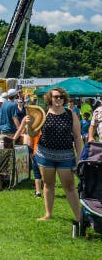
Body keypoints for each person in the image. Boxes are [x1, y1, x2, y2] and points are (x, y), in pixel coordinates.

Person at [35, 87, 83, 223]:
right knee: (48, 184)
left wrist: (79, 157)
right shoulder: (43, 113)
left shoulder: (70, 114)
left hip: (66, 156)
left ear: (64, 99)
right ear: (50, 98)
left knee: (69, 186)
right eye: (55, 96)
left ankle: (79, 217)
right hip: (45, 155)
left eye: (61, 97)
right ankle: (48, 214)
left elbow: (78, 137)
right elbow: (33, 134)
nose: (58, 99)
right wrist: (28, 125)